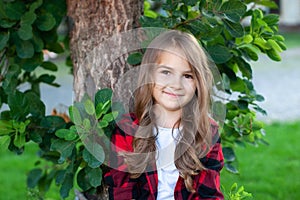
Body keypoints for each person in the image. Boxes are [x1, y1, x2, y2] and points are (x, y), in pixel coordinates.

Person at [104, 30, 224, 200]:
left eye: (188, 76)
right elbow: (122, 192)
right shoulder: (128, 129)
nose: (175, 84)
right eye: (166, 72)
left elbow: (208, 194)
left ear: (198, 83)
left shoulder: (207, 132)